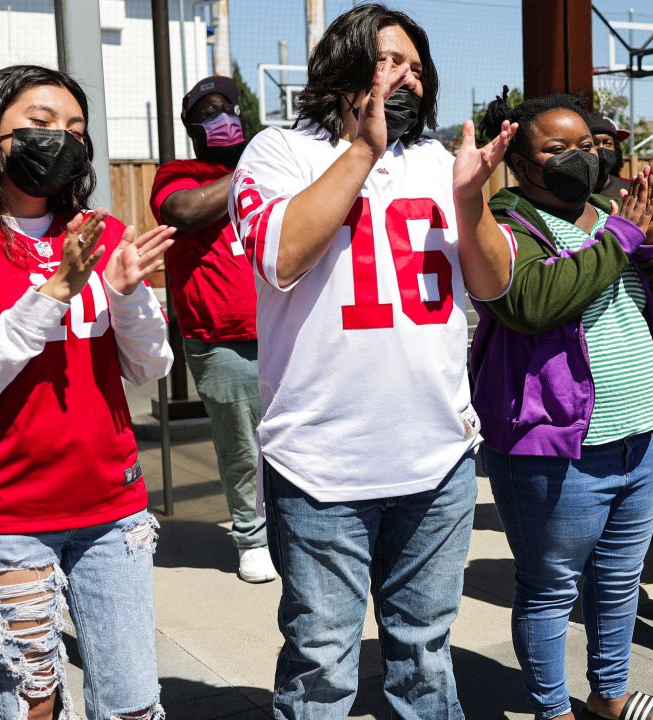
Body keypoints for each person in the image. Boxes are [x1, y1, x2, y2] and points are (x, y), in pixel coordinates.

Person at [228, 5, 517, 717]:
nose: (410, 80)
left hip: (437, 458)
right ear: (345, 66)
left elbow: (494, 283)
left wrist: (472, 198)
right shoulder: (278, 151)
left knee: (424, 655)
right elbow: (280, 256)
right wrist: (361, 149)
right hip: (322, 462)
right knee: (322, 663)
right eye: (392, 62)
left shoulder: (440, 162)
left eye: (419, 69)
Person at [470, 89, 653, 720]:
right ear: (519, 159)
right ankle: (550, 708)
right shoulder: (508, 225)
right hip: (555, 452)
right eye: (557, 148)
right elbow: (533, 303)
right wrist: (623, 239)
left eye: (588, 146)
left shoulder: (610, 215)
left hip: (640, 437)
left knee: (619, 583)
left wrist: (651, 249)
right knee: (550, 589)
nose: (581, 158)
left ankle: (608, 695)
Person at [0, 64, 175, 720]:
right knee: (32, 707)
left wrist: (125, 295)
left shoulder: (102, 235)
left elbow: (149, 368)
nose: (60, 139)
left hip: (112, 512)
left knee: (132, 706)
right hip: (7, 519)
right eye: (39, 125)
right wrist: (54, 293)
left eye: (75, 129)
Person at [148, 75, 275, 584]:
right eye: (207, 112)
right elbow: (186, 211)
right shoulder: (178, 174)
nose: (220, 118)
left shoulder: (271, 164)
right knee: (243, 446)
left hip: (288, 330)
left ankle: (298, 532)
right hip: (221, 338)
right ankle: (253, 537)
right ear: (191, 126)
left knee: (299, 440)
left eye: (227, 107)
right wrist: (252, 168)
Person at [589, 113, 630, 201]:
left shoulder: (629, 189)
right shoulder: (573, 194)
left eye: (607, 143)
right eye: (594, 143)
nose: (602, 149)